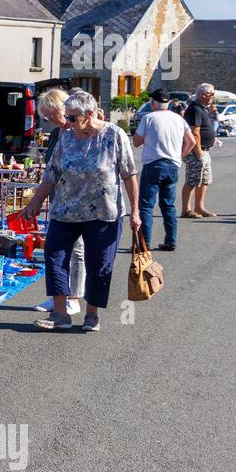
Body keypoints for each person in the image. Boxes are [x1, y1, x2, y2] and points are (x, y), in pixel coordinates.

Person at [21, 89, 140, 332]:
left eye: (73, 117)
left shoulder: (114, 135)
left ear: (90, 114)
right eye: (68, 117)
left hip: (103, 213)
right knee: (54, 257)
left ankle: (92, 314)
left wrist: (135, 211)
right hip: (65, 211)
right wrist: (34, 203)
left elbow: (129, 174)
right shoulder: (66, 138)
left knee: (99, 265)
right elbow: (51, 174)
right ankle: (60, 314)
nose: (69, 122)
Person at [33, 88, 83, 317]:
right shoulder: (56, 134)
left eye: (53, 115)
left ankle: (74, 298)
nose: (51, 120)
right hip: (57, 198)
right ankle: (58, 296)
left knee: (77, 250)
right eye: (47, 116)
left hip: (79, 199)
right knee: (56, 250)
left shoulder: (79, 132)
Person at [133, 88, 196, 252]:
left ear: (153, 103)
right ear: (168, 103)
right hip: (172, 164)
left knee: (146, 205)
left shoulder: (149, 118)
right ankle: (170, 240)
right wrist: (180, 155)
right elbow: (191, 142)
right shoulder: (178, 119)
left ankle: (144, 243)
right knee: (168, 205)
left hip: (153, 163)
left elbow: (137, 142)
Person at [182, 83, 217, 218]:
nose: (213, 97)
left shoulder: (202, 108)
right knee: (193, 180)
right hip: (196, 151)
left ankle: (199, 207)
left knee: (204, 180)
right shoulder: (195, 109)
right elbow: (194, 132)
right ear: (204, 95)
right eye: (212, 94)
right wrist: (198, 153)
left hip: (204, 150)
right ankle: (186, 209)